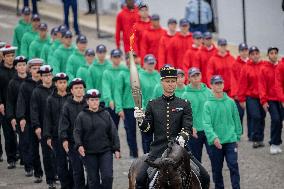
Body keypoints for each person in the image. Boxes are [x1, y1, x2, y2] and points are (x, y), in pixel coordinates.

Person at [134, 65, 209, 189]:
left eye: (173, 81)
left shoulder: (184, 104)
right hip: (157, 151)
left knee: (205, 177)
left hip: (180, 151)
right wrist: (140, 120)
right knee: (140, 179)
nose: (171, 84)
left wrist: (182, 137)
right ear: (162, 82)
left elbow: (187, 126)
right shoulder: (152, 104)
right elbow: (147, 129)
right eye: (168, 81)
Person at [74, 89, 121, 189]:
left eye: (96, 99)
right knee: (93, 180)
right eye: (92, 100)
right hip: (89, 153)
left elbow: (113, 132)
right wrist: (79, 145)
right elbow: (77, 132)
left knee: (107, 177)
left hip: (105, 151)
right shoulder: (81, 116)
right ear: (87, 101)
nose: (94, 102)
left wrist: (116, 148)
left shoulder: (106, 114)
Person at [203, 75, 242, 189]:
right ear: (211, 86)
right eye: (216, 83)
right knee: (217, 169)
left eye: (220, 83)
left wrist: (237, 136)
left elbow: (236, 119)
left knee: (233, 165)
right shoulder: (208, 104)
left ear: (223, 84)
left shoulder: (230, 102)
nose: (219, 85)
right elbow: (206, 124)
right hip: (215, 143)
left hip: (230, 140)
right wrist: (213, 138)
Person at [43, 72, 73, 188]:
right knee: (60, 163)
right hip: (56, 136)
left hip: (70, 135)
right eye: (60, 82)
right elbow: (47, 119)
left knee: (73, 162)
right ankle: (64, 185)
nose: (62, 85)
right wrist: (48, 135)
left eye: (64, 82)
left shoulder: (71, 98)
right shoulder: (50, 99)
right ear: (55, 84)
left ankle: (72, 184)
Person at [16, 58, 43, 182]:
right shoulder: (25, 85)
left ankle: (53, 173)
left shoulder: (46, 84)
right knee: (33, 149)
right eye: (34, 68)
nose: (37, 71)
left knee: (50, 150)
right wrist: (21, 117)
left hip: (45, 122)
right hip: (30, 122)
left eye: (39, 68)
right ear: (29, 70)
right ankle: (37, 173)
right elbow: (20, 102)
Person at [30, 65, 57, 189]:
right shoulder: (37, 91)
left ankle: (57, 174)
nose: (47, 77)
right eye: (45, 75)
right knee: (46, 154)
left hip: (56, 127)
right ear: (41, 77)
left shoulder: (56, 90)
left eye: (49, 75)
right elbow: (34, 110)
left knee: (58, 154)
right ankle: (50, 180)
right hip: (44, 127)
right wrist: (36, 126)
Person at [59, 78, 87, 189]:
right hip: (73, 143)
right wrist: (64, 139)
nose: (79, 90)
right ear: (71, 91)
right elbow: (63, 125)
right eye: (76, 88)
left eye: (81, 88)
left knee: (91, 171)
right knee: (77, 170)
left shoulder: (89, 103)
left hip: (89, 142)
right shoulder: (67, 106)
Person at [114, 53, 142, 158]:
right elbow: (118, 92)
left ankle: (146, 155)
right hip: (127, 107)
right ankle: (134, 154)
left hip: (140, 106)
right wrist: (119, 108)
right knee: (131, 132)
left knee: (144, 132)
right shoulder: (122, 74)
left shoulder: (141, 72)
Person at [182, 67, 212, 162]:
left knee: (215, 157)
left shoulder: (209, 92)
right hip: (194, 132)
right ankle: (197, 177)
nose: (196, 78)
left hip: (208, 130)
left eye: (197, 75)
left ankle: (216, 177)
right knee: (196, 160)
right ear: (189, 78)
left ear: (201, 76)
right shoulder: (185, 95)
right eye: (193, 76)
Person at [238, 46, 266, 148]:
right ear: (249, 56)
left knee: (262, 117)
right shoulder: (246, 67)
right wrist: (241, 99)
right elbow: (242, 84)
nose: (255, 56)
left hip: (262, 97)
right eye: (252, 54)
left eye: (256, 53)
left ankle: (261, 138)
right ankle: (255, 139)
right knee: (255, 116)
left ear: (259, 54)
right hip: (251, 97)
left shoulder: (264, 66)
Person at [6, 56, 28, 172]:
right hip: (19, 115)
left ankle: (26, 159)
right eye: (19, 65)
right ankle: (21, 160)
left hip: (30, 115)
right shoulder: (12, 83)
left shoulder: (31, 80)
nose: (22, 67)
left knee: (29, 141)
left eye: (24, 64)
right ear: (16, 67)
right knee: (23, 139)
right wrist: (12, 117)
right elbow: (9, 102)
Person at [259, 47, 283, 154]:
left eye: (275, 53)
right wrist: (263, 101)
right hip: (271, 99)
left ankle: (277, 142)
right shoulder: (264, 68)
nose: (274, 55)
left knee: (280, 121)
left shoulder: (281, 67)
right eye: (271, 53)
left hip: (281, 98)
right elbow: (262, 86)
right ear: (268, 55)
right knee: (276, 119)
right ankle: (273, 143)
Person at [0, 44, 18, 169]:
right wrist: (0, 103)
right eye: (8, 56)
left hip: (18, 105)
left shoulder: (17, 70)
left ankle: (21, 155)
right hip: (5, 106)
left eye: (12, 56)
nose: (11, 58)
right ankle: (11, 158)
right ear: (3, 57)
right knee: (9, 134)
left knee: (21, 133)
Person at [139, 54, 160, 153]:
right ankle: (146, 157)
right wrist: (142, 108)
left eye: (153, 63)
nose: (151, 65)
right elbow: (139, 93)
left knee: (158, 136)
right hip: (145, 111)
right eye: (149, 63)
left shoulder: (158, 75)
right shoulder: (139, 76)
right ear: (144, 64)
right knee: (146, 136)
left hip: (157, 111)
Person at [102, 49, 127, 128]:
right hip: (112, 105)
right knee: (112, 128)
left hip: (124, 104)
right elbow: (106, 87)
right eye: (115, 57)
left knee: (129, 129)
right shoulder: (107, 72)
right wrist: (109, 99)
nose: (117, 59)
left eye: (118, 57)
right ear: (111, 58)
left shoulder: (124, 70)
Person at [230, 43, 249, 127]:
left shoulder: (251, 63)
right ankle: (238, 131)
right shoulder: (235, 64)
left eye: (245, 50)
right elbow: (233, 80)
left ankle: (251, 134)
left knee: (252, 115)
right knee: (239, 114)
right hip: (239, 94)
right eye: (242, 50)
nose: (244, 52)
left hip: (250, 93)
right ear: (239, 52)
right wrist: (235, 94)